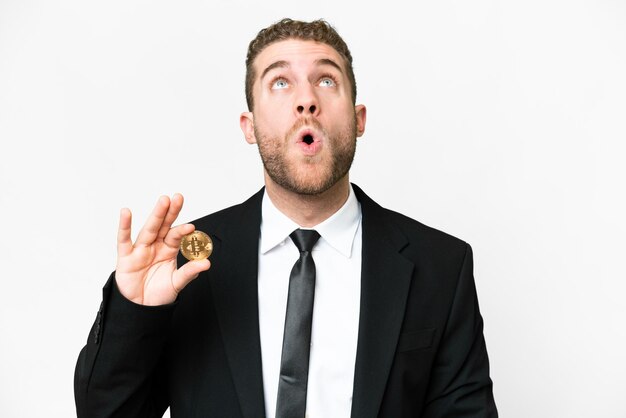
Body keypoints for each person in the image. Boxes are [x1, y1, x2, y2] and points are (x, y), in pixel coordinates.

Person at [74, 18, 498, 418]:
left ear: (358, 119)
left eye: (326, 80)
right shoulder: (186, 261)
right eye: (280, 82)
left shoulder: (441, 266)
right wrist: (134, 312)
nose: (306, 100)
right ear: (250, 127)